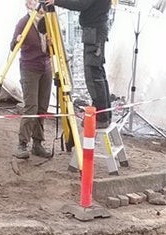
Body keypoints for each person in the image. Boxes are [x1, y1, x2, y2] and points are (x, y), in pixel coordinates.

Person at [49, 0, 120, 173]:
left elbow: (81, 3)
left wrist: (57, 1)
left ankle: (101, 117)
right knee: (98, 74)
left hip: (94, 31)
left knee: (93, 76)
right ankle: (105, 114)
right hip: (95, 31)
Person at [13, 0, 54, 160]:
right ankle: (22, 144)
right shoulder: (24, 22)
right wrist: (18, 40)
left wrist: (51, 45)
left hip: (46, 67)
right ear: (27, 4)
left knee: (42, 107)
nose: (36, 3)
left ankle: (38, 144)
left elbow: (55, 48)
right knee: (31, 107)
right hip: (29, 68)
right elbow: (12, 45)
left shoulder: (49, 21)